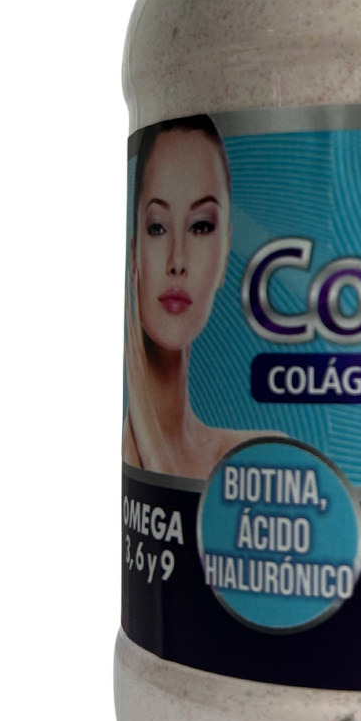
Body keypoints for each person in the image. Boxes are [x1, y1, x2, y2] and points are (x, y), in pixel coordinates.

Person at [123, 115, 257, 479]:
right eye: (157, 227)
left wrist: (152, 441)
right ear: (133, 252)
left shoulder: (262, 459)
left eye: (200, 226)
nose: (177, 261)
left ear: (225, 254)